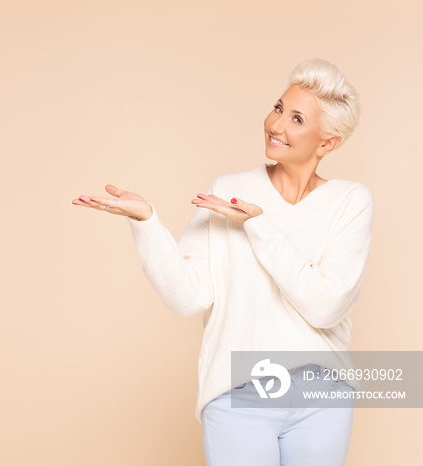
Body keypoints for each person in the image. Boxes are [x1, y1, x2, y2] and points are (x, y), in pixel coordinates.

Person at [71, 58, 374, 466]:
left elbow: (326, 305)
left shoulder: (350, 201)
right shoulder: (228, 191)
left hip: (322, 397)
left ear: (327, 143)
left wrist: (258, 227)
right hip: (238, 394)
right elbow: (187, 296)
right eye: (279, 107)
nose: (276, 124)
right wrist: (147, 223)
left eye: (297, 118)